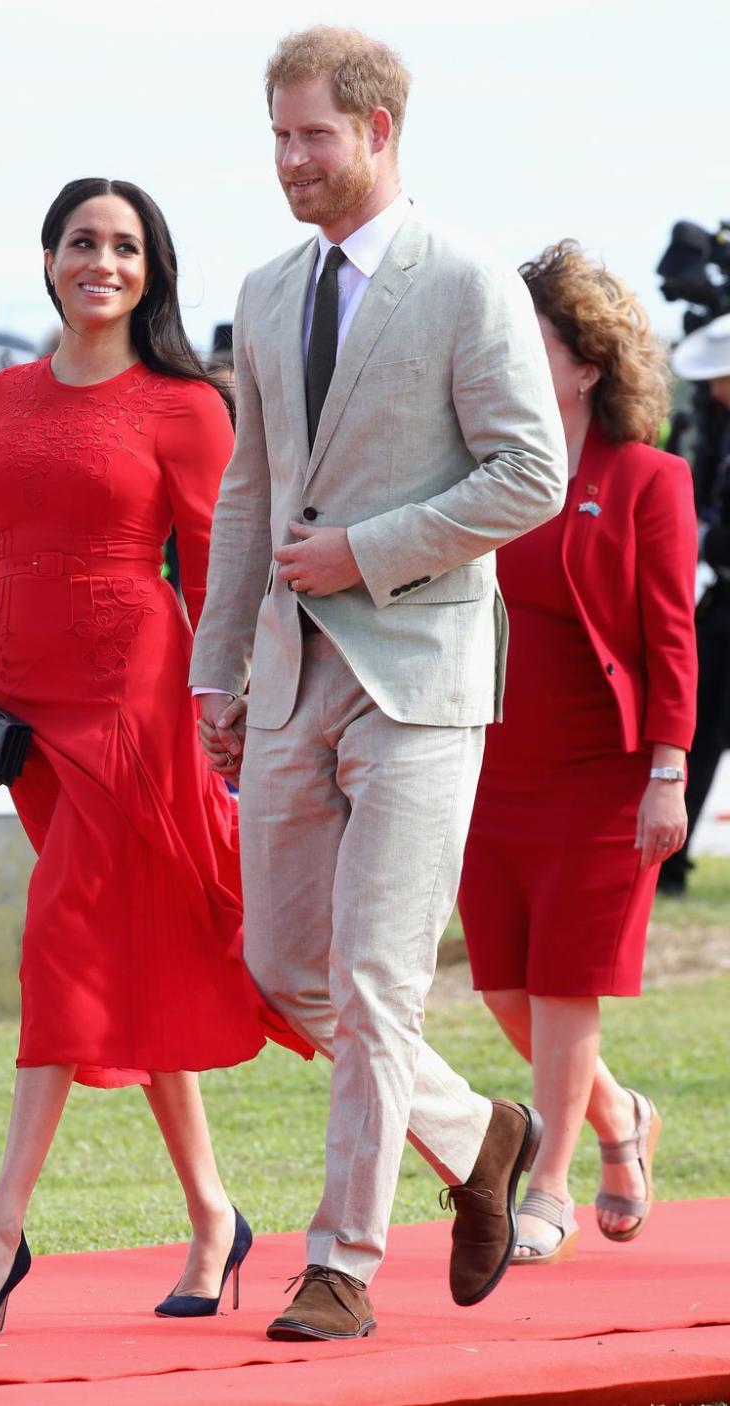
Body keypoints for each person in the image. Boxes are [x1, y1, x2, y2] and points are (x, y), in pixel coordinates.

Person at [190, 26, 567, 1341]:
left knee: (376, 974)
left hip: (422, 676)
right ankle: (481, 1136)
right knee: (287, 963)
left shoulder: (465, 279)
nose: (292, 160)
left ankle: (342, 1263)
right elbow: (248, 495)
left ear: (380, 128)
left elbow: (532, 473)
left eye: (314, 136)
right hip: (290, 679)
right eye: (278, 137)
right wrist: (214, 675)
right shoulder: (264, 290)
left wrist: (367, 552)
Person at [0, 177, 308, 1334]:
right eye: (83, 241)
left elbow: (223, 571)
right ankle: (212, 1214)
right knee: (130, 959)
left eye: (127, 245)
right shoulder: (2, 397)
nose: (104, 259)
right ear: (49, 259)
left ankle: (0, 1228)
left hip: (140, 706)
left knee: (65, 940)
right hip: (33, 716)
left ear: (152, 270)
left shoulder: (187, 405)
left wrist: (228, 710)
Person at [457, 241, 698, 1263]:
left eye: (531, 336)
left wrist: (669, 767)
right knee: (506, 986)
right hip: (487, 765)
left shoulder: (648, 477)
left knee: (566, 982)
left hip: (603, 774)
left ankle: (549, 1179)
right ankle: (620, 1116)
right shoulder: (478, 467)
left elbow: (670, 634)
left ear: (587, 363)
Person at [659, 312, 730, 896]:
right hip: (718, 597)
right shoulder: (713, 427)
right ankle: (670, 865)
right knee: (700, 729)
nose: (712, 389)